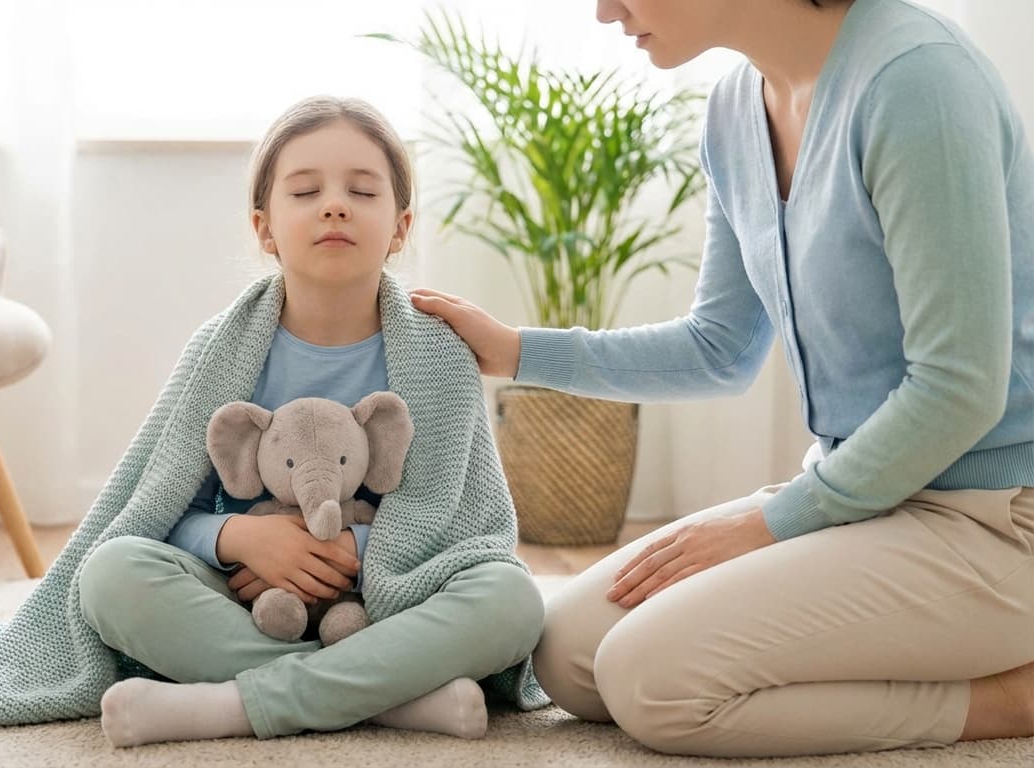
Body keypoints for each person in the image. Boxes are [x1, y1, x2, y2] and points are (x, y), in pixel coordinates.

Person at [409, 0, 1034, 757]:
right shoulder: (738, 108)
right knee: (570, 658)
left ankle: (1004, 699)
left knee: (651, 683)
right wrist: (516, 352)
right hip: (873, 497)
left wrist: (769, 524)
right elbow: (720, 347)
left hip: (996, 516)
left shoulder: (917, 80)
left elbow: (961, 388)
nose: (605, 10)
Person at [79, 96, 546, 747]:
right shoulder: (220, 350)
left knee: (512, 602)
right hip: (246, 602)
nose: (335, 204)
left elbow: (466, 523)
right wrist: (242, 539)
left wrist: (347, 551)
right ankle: (390, 697)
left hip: (390, 601)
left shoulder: (440, 355)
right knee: (111, 576)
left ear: (401, 226)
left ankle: (232, 706)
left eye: (361, 189)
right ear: (264, 227)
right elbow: (159, 508)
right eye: (305, 191)